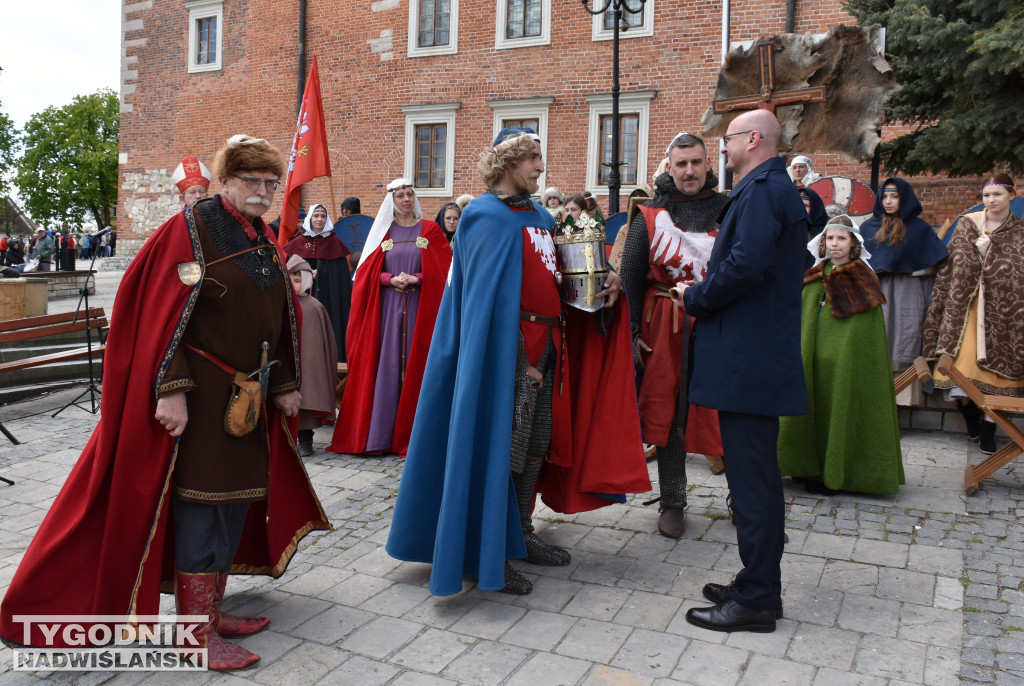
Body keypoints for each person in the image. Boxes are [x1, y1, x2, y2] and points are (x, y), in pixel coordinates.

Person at [0, 134, 331, 671]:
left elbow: (282, 315)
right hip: (199, 403)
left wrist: (285, 382)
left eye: (271, 183)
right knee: (202, 506)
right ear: (225, 181)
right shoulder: (191, 230)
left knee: (234, 504)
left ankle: (213, 614)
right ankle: (193, 637)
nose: (264, 191)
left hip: (248, 400)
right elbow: (159, 317)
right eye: (252, 181)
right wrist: (170, 388)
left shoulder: (262, 234)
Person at [385, 127, 649, 596]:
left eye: (539, 158)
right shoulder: (485, 216)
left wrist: (607, 279)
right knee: (502, 453)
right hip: (508, 355)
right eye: (532, 158)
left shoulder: (537, 215)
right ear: (507, 162)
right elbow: (483, 303)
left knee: (534, 448)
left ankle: (520, 533)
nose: (540, 167)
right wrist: (513, 363)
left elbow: (568, 269)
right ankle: (492, 550)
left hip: (549, 347)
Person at [671, 110, 808, 633]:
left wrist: (697, 297)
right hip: (755, 355)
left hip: (751, 360)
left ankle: (756, 598)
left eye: (725, 140)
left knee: (753, 482)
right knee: (756, 478)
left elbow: (746, 264)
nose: (721, 149)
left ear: (752, 140)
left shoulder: (762, 191)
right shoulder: (768, 190)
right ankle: (758, 585)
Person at [619, 132, 729, 538]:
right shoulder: (649, 215)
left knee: (728, 411)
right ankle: (673, 500)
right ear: (669, 167)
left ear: (707, 165)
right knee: (669, 415)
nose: (689, 171)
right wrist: (631, 333)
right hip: (664, 328)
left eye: (696, 163)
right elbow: (629, 280)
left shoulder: (729, 209)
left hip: (717, 323)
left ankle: (744, 499)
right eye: (680, 164)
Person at [778, 215, 904, 494]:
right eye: (830, 238)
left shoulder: (862, 279)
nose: (835, 244)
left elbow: (863, 337)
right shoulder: (813, 276)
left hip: (845, 365)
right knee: (809, 407)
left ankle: (836, 473)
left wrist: (844, 356)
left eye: (841, 238)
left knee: (839, 407)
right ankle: (806, 467)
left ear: (853, 244)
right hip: (812, 361)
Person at [328, 179, 452, 456]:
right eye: (400, 195)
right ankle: (381, 436)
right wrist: (388, 278)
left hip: (420, 310)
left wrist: (418, 277)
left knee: (418, 367)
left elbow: (445, 272)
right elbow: (364, 274)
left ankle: (413, 436)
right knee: (388, 367)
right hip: (388, 311)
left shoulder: (430, 230)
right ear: (392, 201)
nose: (406, 199)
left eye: (409, 194)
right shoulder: (381, 234)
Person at [923, 173, 1023, 455]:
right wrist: (979, 255)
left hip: (1004, 316)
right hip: (967, 310)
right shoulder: (968, 224)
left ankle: (990, 427)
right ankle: (968, 412)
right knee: (962, 367)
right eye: (986, 195)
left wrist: (991, 254)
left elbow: (1019, 271)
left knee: (999, 378)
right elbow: (953, 266)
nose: (991, 201)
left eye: (997, 195)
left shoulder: (1019, 231)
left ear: (1011, 196)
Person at [859, 178, 947, 375]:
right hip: (875, 290)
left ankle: (904, 393)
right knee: (876, 332)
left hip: (908, 290)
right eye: (885, 196)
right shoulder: (868, 228)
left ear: (904, 198)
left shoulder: (919, 229)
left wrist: (913, 271)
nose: (888, 201)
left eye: (895, 196)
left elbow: (937, 263)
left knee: (907, 332)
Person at [284, 203, 353, 364]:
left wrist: (322, 274)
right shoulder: (298, 242)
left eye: (323, 216)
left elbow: (341, 276)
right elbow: (290, 271)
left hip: (329, 297)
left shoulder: (335, 243)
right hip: (303, 297)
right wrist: (305, 274)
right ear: (310, 218)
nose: (319, 219)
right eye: (316, 215)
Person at [287, 254, 338, 456]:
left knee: (307, 399)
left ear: (308, 280)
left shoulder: (315, 307)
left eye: (300, 280)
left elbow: (322, 342)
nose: (296, 283)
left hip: (309, 363)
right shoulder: (281, 303)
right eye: (292, 279)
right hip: (287, 362)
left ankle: (305, 441)